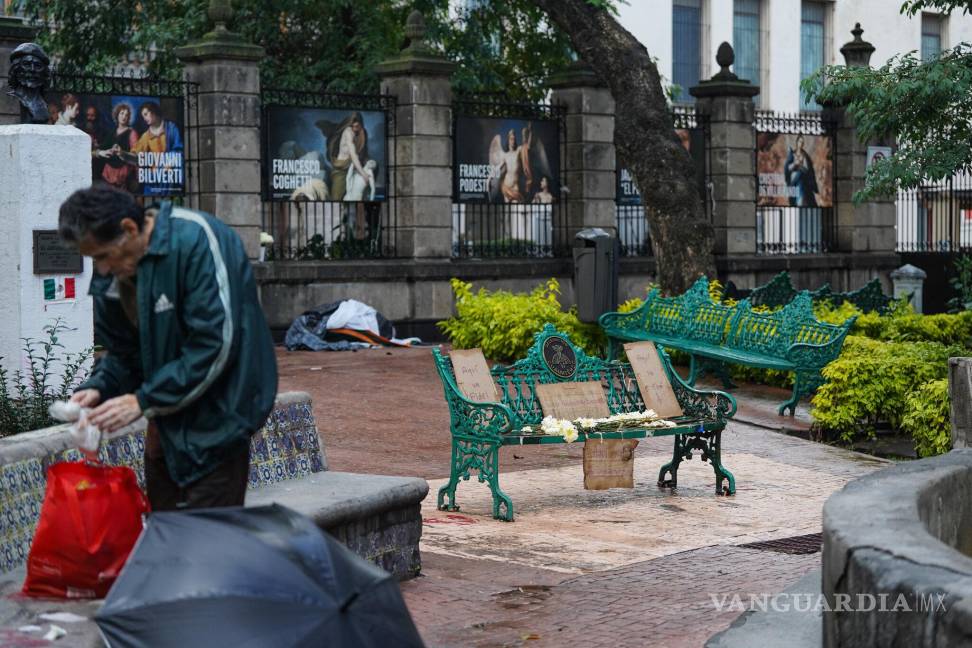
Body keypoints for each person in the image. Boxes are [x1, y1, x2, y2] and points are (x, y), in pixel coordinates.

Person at [58, 185, 278, 510]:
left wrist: (144, 400)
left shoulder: (197, 240)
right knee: (166, 536)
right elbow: (123, 354)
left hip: (219, 421)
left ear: (129, 229)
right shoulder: (112, 278)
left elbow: (215, 344)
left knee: (209, 543)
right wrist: (99, 387)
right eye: (93, 260)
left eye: (103, 256)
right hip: (165, 423)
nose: (101, 269)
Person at [325, 112, 368, 200]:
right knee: (336, 198)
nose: (355, 129)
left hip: (352, 168)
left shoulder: (361, 133)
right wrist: (363, 173)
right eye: (353, 126)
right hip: (341, 169)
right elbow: (353, 154)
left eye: (357, 126)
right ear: (350, 124)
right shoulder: (348, 132)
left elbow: (361, 152)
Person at [97, 102, 139, 192]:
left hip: (123, 173)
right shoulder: (112, 132)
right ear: (117, 115)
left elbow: (136, 156)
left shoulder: (132, 133)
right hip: (108, 172)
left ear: (129, 118)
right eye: (122, 113)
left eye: (126, 115)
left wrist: (122, 153)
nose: (124, 116)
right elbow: (103, 148)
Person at [784, 134, 818, 208]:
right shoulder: (792, 154)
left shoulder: (805, 156)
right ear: (796, 142)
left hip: (803, 177)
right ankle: (800, 200)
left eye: (802, 142)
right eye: (800, 141)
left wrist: (801, 166)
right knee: (799, 175)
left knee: (801, 178)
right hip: (793, 179)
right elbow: (787, 168)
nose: (801, 144)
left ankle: (801, 200)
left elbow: (808, 170)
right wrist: (795, 164)